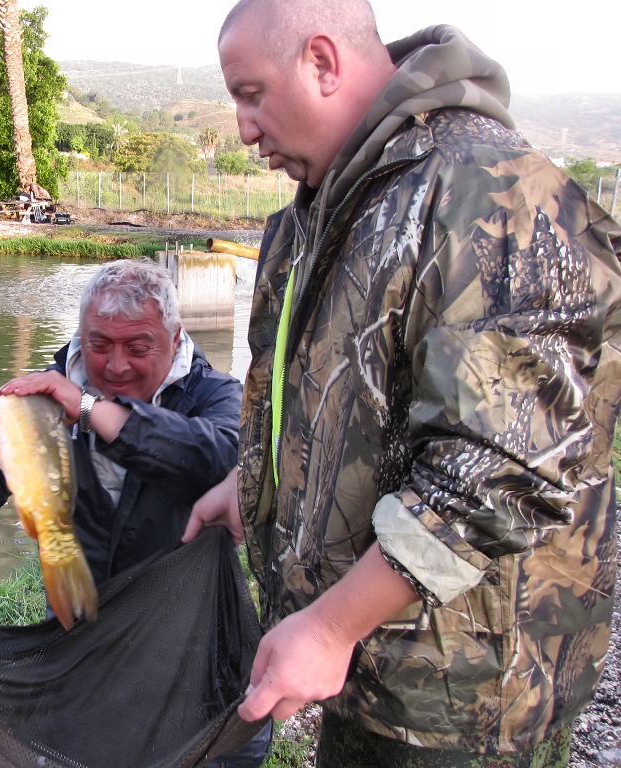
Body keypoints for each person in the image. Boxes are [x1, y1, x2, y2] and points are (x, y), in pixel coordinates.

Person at [184, 1, 621, 766]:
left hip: (460, 697)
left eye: (250, 94)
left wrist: (328, 629)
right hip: (364, 669)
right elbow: (323, 391)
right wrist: (249, 480)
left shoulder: (489, 195)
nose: (244, 129)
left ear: (322, 61)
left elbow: (498, 472)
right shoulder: (314, 210)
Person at [0, 259, 270, 765]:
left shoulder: (211, 394)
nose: (115, 366)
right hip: (79, 633)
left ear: (175, 340)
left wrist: (92, 409)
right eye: (99, 345)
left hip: (189, 642)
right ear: (80, 335)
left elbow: (224, 457)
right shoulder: (44, 395)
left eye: (137, 348)